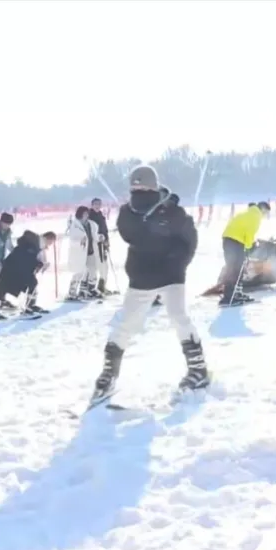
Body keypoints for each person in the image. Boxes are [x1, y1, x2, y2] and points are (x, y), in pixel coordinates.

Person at [90, 164, 206, 402]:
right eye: (135, 186)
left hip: (170, 274)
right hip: (142, 276)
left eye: (143, 186)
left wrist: (178, 262)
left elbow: (190, 239)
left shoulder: (173, 212)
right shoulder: (128, 211)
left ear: (153, 186)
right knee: (125, 323)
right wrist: (140, 222)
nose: (139, 190)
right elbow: (127, 234)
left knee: (178, 317)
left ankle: (198, 369)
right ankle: (109, 374)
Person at [0, 230, 55, 320]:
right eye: (51, 242)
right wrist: (38, 264)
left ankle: (29, 306)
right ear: (47, 238)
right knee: (5, 287)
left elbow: (31, 258)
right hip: (14, 268)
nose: (50, 244)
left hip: (16, 268)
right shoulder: (33, 244)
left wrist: (40, 264)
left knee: (27, 284)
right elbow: (26, 257)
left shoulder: (37, 245)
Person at [218, 201, 270, 307]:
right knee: (235, 269)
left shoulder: (248, 213)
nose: (265, 215)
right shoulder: (256, 216)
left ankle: (235, 293)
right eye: (266, 213)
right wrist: (248, 248)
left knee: (235, 268)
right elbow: (250, 233)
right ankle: (229, 297)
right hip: (235, 241)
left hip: (230, 239)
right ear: (263, 209)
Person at [65, 207, 95, 301]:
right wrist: (80, 242)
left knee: (84, 271)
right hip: (77, 252)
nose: (86, 215)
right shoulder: (75, 224)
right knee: (79, 272)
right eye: (85, 213)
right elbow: (72, 238)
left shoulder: (87, 224)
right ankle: (72, 293)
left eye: (87, 214)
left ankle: (81, 291)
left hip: (84, 252)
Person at [87, 197, 114, 295]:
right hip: (94, 246)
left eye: (99, 204)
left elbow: (105, 230)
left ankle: (102, 286)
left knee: (104, 266)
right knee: (94, 267)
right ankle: (91, 288)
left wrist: (107, 242)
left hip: (103, 245)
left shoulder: (101, 215)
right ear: (92, 205)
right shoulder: (89, 216)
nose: (98, 206)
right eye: (96, 204)